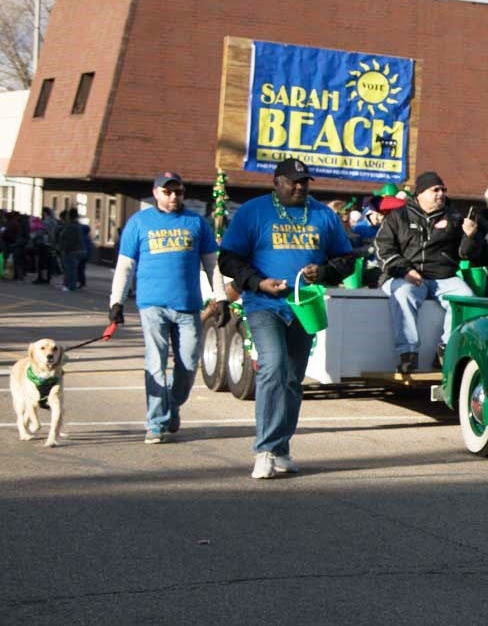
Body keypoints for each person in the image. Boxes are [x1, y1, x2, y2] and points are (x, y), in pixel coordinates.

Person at [219, 158, 354, 479]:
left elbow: (347, 259)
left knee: (293, 378)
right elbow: (228, 258)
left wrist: (324, 271)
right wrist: (257, 282)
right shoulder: (253, 212)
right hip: (263, 303)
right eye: (293, 181)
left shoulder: (323, 215)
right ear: (276, 182)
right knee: (274, 366)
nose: (299, 187)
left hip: (304, 305)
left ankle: (281, 448)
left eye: (304, 181)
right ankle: (264, 450)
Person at [109, 171, 229, 444]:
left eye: (179, 192)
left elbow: (212, 263)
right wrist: (115, 301)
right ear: (156, 193)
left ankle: (171, 405)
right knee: (156, 362)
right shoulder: (139, 223)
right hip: (152, 305)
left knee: (188, 366)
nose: (174, 196)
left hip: (188, 305)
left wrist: (220, 296)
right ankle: (155, 422)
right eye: (168, 192)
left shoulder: (197, 222)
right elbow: (125, 266)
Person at [375, 171, 480, 374]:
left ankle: (445, 350)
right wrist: (405, 270)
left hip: (443, 277)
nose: (441, 194)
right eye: (435, 190)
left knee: (466, 299)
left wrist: (470, 237)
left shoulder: (454, 217)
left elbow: (465, 255)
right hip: (406, 275)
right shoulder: (399, 216)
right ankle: (408, 354)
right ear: (420, 193)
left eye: (443, 190)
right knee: (403, 294)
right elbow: (383, 248)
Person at [56, 209, 86, 291]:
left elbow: (69, 240)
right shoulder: (77, 225)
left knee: (70, 269)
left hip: (72, 250)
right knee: (72, 269)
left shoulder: (71, 226)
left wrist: (64, 249)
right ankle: (70, 284)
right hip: (78, 249)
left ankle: (70, 286)